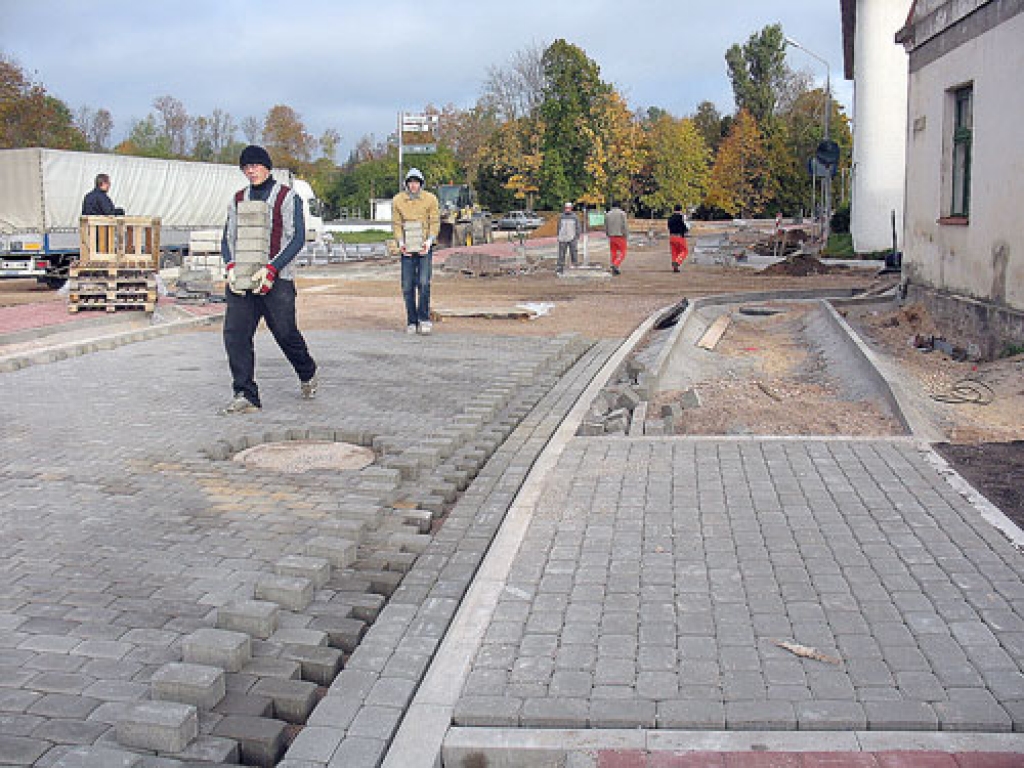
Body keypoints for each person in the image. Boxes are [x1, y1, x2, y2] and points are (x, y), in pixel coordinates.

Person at [219, 144, 318, 414]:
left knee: (285, 334)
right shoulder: (238, 199)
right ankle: (245, 394)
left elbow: (297, 238)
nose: (250, 171)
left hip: (277, 279)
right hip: (244, 278)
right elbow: (228, 237)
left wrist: (272, 269)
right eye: (246, 167)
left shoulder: (287, 197)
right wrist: (230, 265)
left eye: (255, 166)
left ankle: (307, 371)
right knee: (235, 335)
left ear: (267, 167)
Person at [392, 168, 440, 335]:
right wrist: (401, 243)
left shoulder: (430, 199)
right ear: (406, 184)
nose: (413, 186)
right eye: (411, 182)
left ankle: (424, 318)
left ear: (421, 184)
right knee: (407, 285)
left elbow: (435, 222)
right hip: (407, 247)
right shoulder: (398, 200)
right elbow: (396, 224)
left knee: (424, 282)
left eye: (416, 182)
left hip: (424, 246)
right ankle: (411, 320)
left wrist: (429, 241)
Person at [556, 202, 581, 275]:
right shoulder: (561, 216)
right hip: (562, 238)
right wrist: (559, 235)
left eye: (569, 208)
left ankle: (574, 264)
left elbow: (578, 227)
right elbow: (559, 227)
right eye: (566, 208)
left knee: (574, 252)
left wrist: (577, 236)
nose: (567, 209)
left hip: (572, 237)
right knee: (561, 253)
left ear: (571, 208)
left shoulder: (575, 217)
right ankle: (560, 266)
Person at [605, 202, 628, 275]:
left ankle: (614, 267)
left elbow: (606, 225)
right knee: (623, 252)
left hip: (611, 236)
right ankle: (615, 264)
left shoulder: (608, 214)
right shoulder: (622, 214)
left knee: (613, 252)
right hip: (620, 235)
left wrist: (607, 234)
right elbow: (624, 225)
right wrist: (626, 234)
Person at [667, 204, 690, 273]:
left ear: (674, 209)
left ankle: (675, 268)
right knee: (684, 251)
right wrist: (685, 230)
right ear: (680, 210)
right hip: (679, 237)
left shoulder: (670, 218)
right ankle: (677, 262)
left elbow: (668, 227)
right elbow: (685, 227)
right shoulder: (682, 217)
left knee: (674, 252)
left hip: (672, 237)